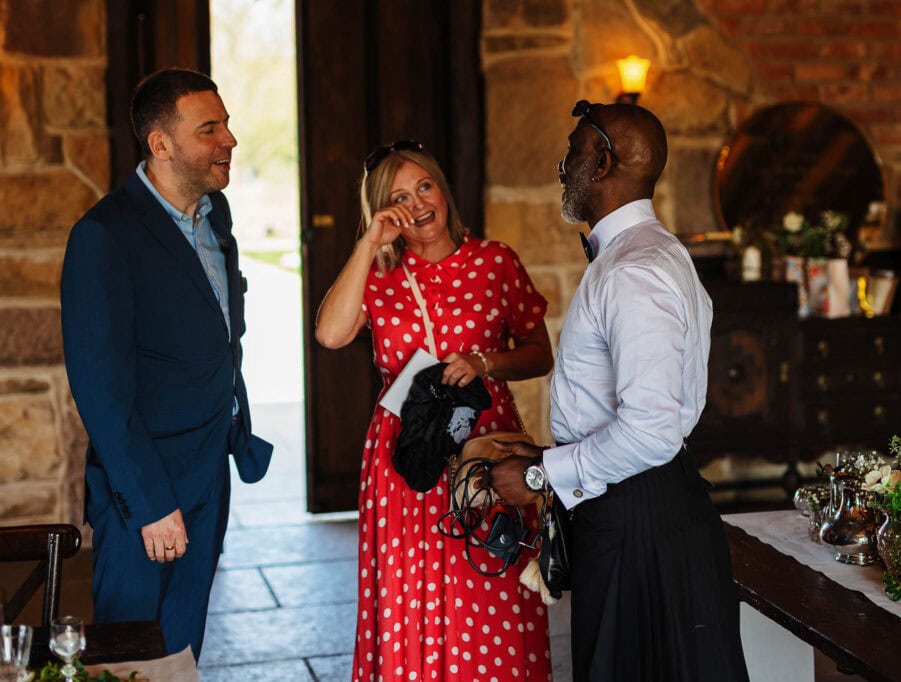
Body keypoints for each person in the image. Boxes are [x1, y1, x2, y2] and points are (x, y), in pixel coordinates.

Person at [490, 101, 750, 681]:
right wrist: (545, 459)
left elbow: (650, 431)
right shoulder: (646, 255)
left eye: (572, 150)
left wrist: (541, 476)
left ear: (602, 160)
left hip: (641, 521)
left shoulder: (635, 271)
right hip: (632, 505)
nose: (562, 166)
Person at [315, 140, 554, 681]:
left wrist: (484, 361)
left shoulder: (496, 261)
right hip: (405, 456)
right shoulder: (379, 276)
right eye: (399, 196)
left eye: (424, 186)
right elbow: (330, 334)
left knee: (488, 577)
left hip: (483, 451)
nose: (418, 202)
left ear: (443, 190)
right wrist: (370, 242)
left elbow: (540, 355)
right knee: (410, 592)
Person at [60, 68, 272, 658]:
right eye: (209, 129)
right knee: (131, 656)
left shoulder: (217, 219)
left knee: (184, 648)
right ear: (162, 145)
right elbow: (101, 390)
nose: (228, 139)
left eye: (226, 123)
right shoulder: (104, 235)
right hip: (145, 487)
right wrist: (151, 503)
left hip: (210, 468)